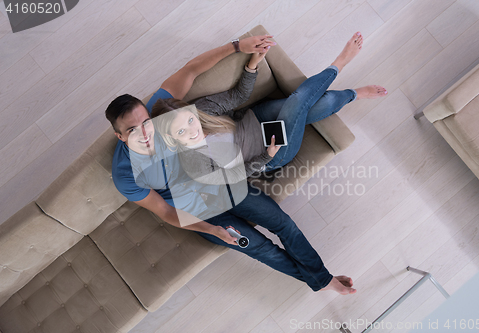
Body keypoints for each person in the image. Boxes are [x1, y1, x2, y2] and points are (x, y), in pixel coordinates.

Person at [105, 34, 357, 295]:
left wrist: (237, 46)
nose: (146, 133)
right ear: (120, 136)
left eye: (146, 123)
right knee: (259, 248)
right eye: (133, 131)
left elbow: (190, 70)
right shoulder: (126, 175)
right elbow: (168, 213)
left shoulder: (161, 115)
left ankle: (321, 278)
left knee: (283, 223)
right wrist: (211, 228)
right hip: (199, 213)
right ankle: (323, 279)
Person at [152, 32, 387, 180]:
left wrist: (252, 65)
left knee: (310, 103)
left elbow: (238, 95)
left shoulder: (203, 110)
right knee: (299, 102)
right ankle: (340, 64)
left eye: (189, 120)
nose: (193, 129)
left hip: (256, 120)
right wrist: (267, 156)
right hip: (272, 153)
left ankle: (353, 94)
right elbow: (235, 175)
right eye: (181, 131)